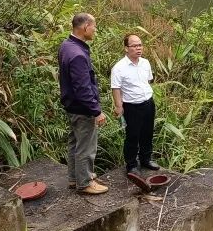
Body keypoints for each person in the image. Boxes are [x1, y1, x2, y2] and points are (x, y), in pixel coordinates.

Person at [58, 12, 108, 194]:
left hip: (71, 105)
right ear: (85, 27)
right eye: (94, 26)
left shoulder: (67, 45)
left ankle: (74, 178)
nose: (95, 30)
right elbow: (83, 88)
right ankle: (85, 182)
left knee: (75, 143)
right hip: (82, 108)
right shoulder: (78, 53)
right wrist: (96, 111)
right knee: (86, 146)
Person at [110, 33, 159, 173]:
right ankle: (131, 164)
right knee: (132, 135)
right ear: (126, 48)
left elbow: (147, 81)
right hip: (131, 106)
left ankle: (146, 159)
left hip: (148, 103)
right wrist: (119, 106)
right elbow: (116, 88)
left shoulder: (145, 63)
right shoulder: (119, 67)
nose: (139, 48)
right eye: (134, 46)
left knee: (147, 133)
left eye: (140, 45)